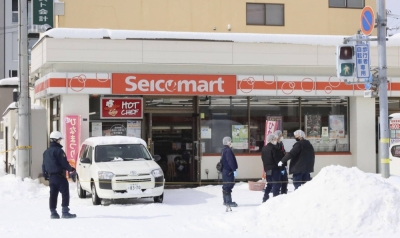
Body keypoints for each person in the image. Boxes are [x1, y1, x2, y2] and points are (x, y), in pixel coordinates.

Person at [42, 131, 77, 219]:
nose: (60, 141)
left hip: (51, 177)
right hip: (60, 176)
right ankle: (65, 212)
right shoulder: (59, 151)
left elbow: (43, 165)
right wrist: (71, 169)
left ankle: (53, 212)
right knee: (65, 193)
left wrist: (45, 174)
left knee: (53, 194)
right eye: (59, 139)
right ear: (56, 140)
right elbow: (64, 163)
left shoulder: (46, 152)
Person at [261, 134, 283, 203]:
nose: (276, 140)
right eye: (275, 139)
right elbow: (276, 159)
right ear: (272, 140)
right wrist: (281, 167)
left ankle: (265, 197)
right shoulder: (273, 148)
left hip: (267, 169)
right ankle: (275, 198)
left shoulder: (264, 148)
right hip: (274, 169)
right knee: (276, 183)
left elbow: (263, 159)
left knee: (269, 183)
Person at [221, 136, 238, 207]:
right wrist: (234, 169)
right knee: (228, 186)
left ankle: (225, 201)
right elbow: (230, 161)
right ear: (227, 142)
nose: (231, 142)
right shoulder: (228, 150)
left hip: (225, 171)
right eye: (230, 141)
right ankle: (228, 202)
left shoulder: (223, 150)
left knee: (225, 186)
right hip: (228, 171)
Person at [274, 130, 288, 194]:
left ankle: (284, 192)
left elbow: (283, 152)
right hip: (277, 166)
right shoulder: (274, 144)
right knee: (278, 182)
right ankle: (276, 195)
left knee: (285, 180)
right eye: (280, 135)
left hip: (283, 165)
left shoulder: (281, 143)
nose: (281, 137)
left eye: (281, 135)